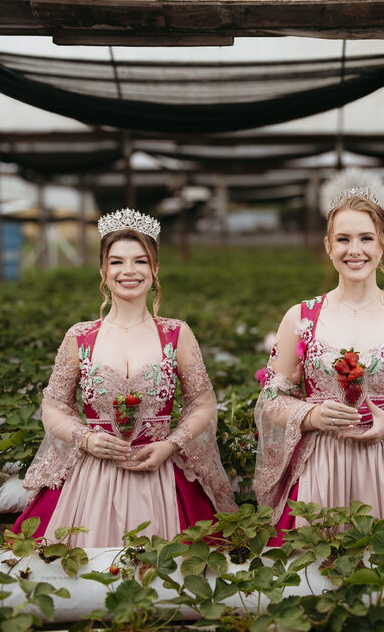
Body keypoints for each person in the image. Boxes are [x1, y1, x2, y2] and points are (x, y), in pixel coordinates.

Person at [253, 169, 384, 541]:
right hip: (321, 466)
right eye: (343, 239)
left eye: (366, 238)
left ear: (383, 244)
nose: (355, 250)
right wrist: (310, 414)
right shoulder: (300, 317)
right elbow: (271, 398)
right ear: (327, 246)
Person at [14, 208, 236, 546]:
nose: (128, 271)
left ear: (155, 269)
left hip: (159, 469)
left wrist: (170, 444)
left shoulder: (177, 333)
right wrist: (85, 438)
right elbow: (54, 405)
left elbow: (202, 404)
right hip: (91, 478)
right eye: (117, 262)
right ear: (103, 270)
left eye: (140, 261)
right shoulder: (80, 336)